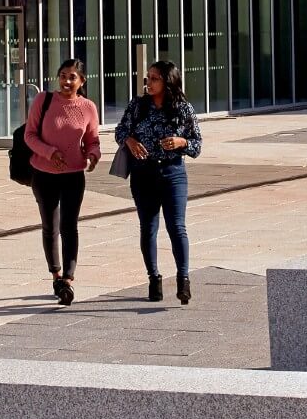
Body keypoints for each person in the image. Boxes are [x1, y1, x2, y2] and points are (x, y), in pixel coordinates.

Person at [114, 60, 201, 304]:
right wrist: (129, 141)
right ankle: (154, 279)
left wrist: (180, 142)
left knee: (177, 227)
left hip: (173, 174)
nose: (148, 82)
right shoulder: (138, 105)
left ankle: (183, 280)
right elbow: (120, 130)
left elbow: (197, 144)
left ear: (167, 81)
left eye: (154, 78)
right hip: (143, 174)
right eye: (148, 77)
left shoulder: (183, 108)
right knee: (148, 228)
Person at [24, 59, 101, 306]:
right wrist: (49, 152)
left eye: (73, 77)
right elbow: (29, 135)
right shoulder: (43, 100)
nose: (67, 81)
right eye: (63, 76)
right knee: (50, 226)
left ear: (82, 81)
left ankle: (68, 279)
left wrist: (92, 155)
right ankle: (55, 274)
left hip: (73, 175)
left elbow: (93, 140)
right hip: (43, 173)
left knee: (70, 226)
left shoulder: (88, 107)